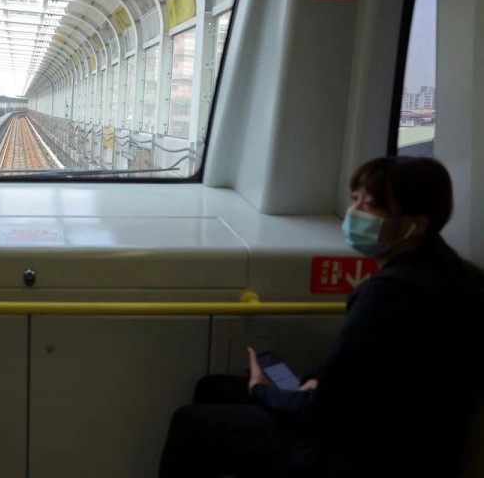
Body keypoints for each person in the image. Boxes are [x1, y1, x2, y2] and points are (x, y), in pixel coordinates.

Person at [158, 156, 484, 478]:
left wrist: (262, 390)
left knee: (191, 423)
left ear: (416, 224)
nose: (355, 213)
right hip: (409, 442)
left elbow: (323, 411)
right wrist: (315, 382)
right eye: (354, 200)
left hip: (360, 456)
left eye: (370, 206)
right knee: (216, 388)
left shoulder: (390, 295)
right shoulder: (457, 275)